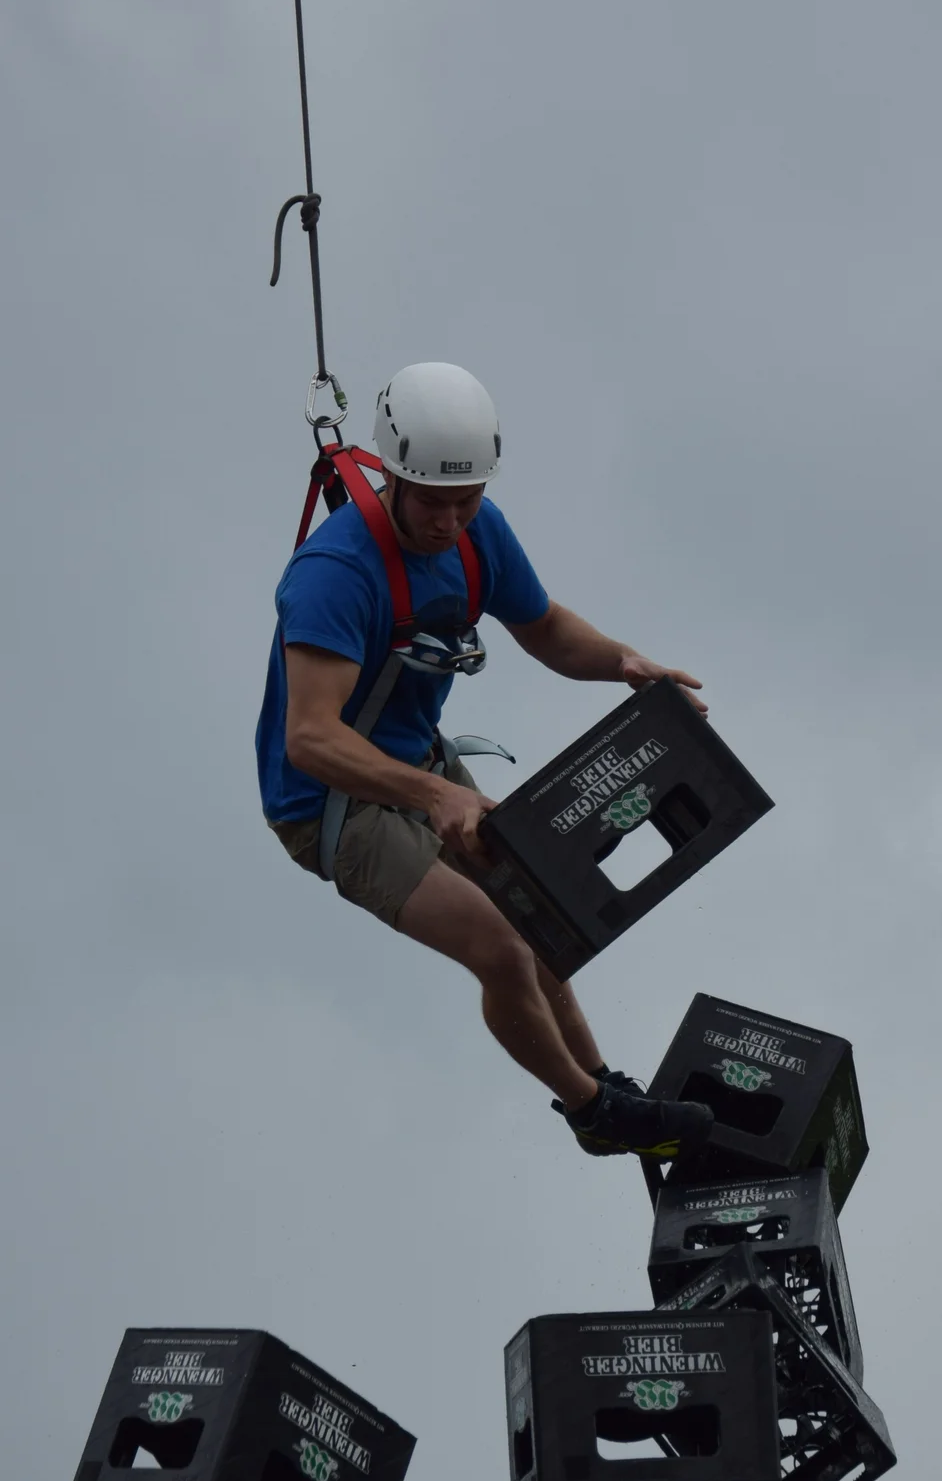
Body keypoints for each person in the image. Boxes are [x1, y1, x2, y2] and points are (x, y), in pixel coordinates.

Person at [256, 360, 714, 1160]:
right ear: (395, 475)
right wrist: (434, 795)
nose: (449, 520)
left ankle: (608, 1084)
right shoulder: (335, 575)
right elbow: (311, 738)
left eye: (465, 500)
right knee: (500, 945)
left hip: (416, 767)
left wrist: (626, 664)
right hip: (328, 802)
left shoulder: (476, 532)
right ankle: (590, 1115)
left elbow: (544, 630)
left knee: (542, 922)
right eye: (432, 501)